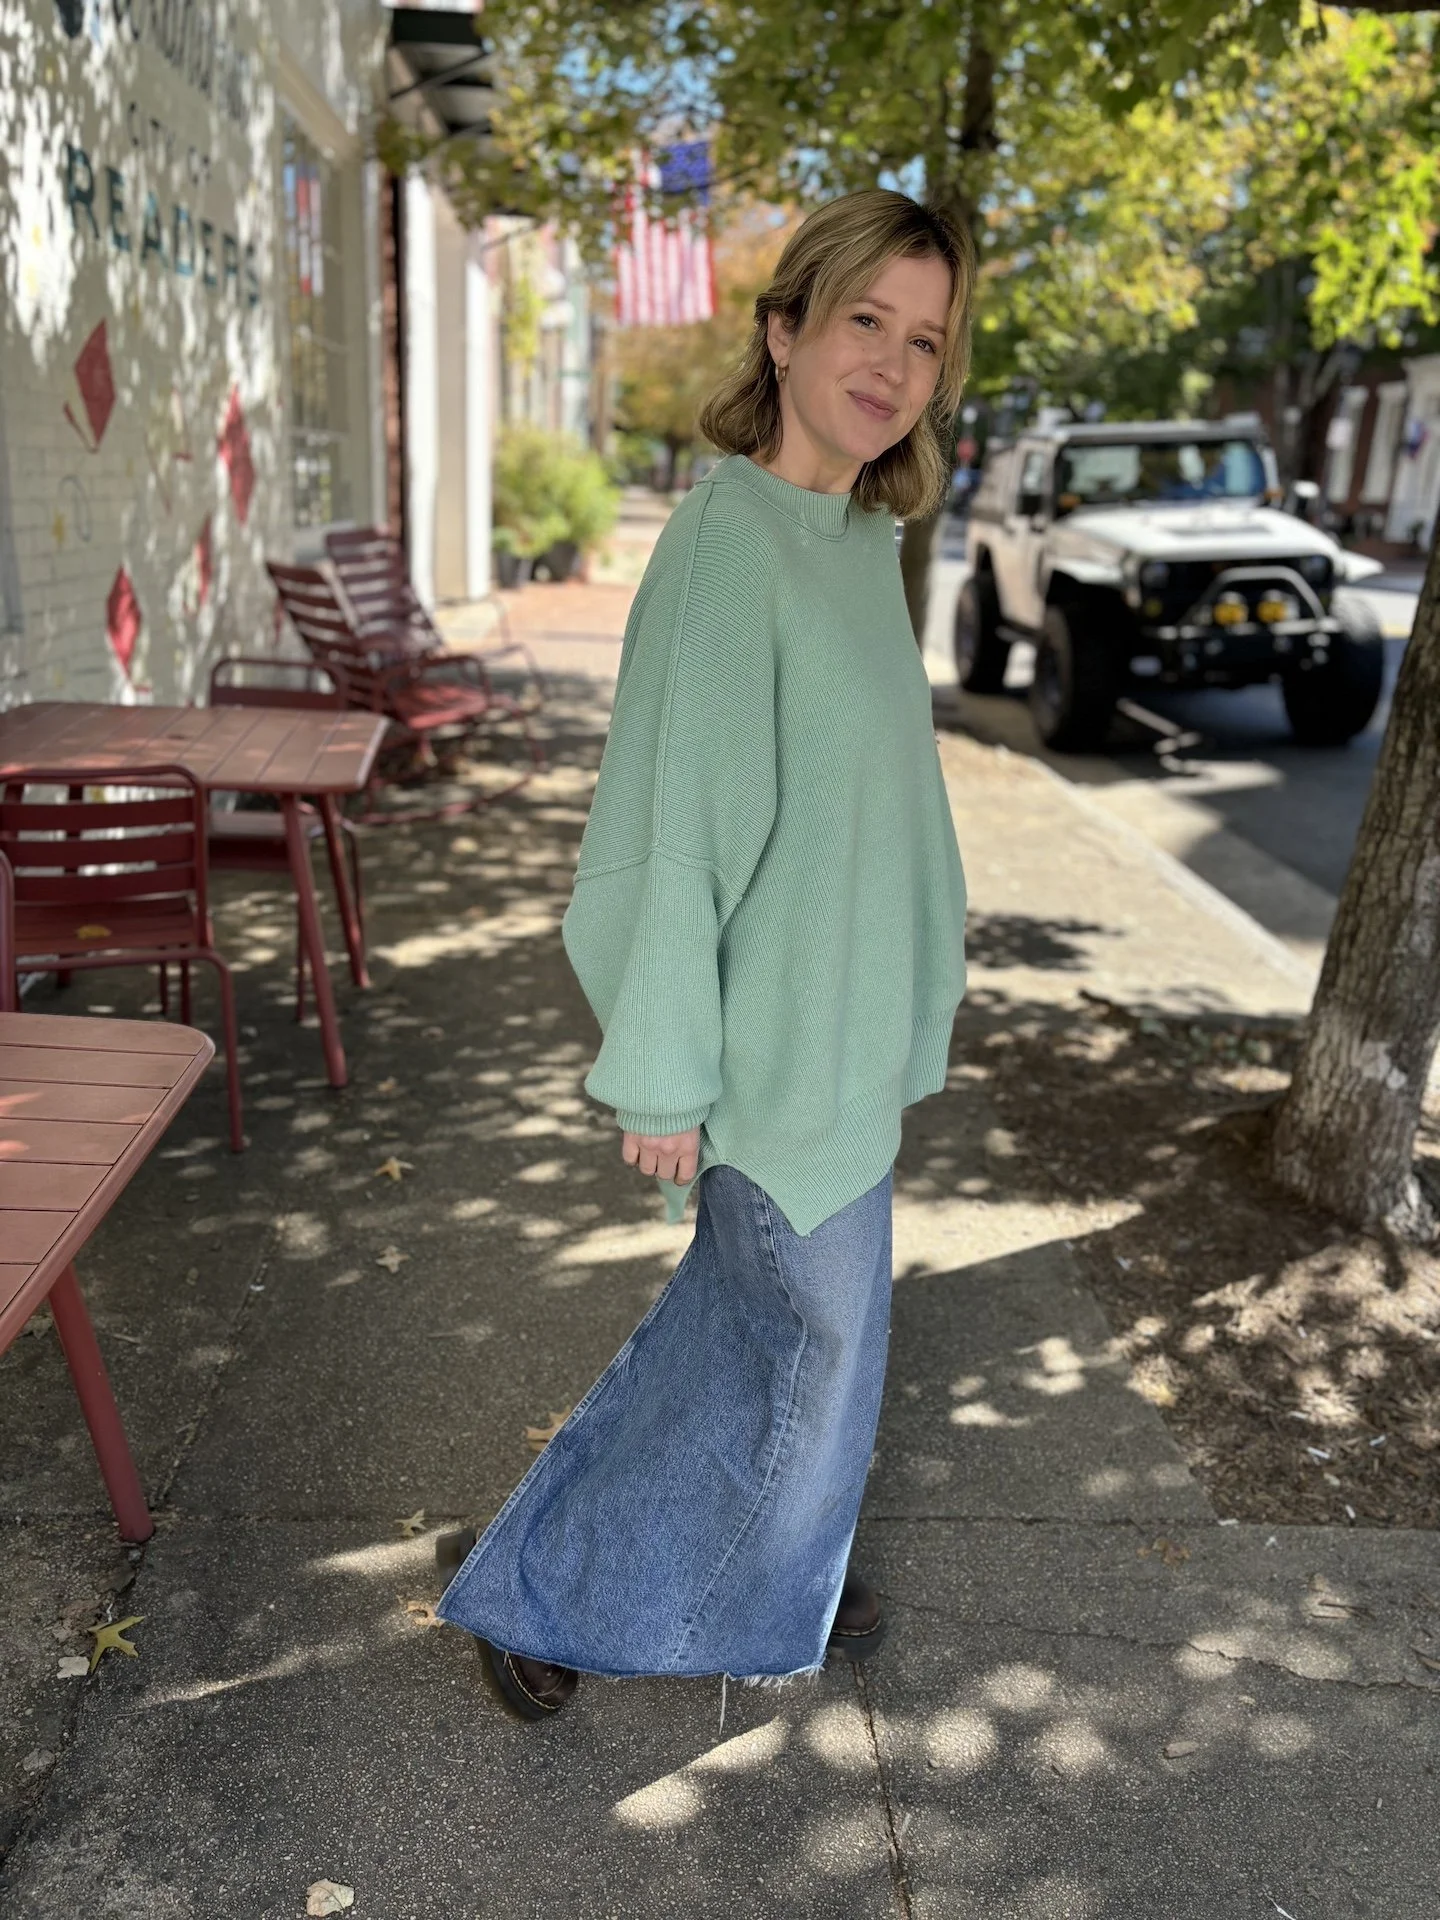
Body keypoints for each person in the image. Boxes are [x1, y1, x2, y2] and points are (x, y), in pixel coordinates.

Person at [435, 188, 974, 1721]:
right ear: (783, 330)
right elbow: (675, 826)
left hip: (842, 1026)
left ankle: (767, 1563)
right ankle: (561, 1584)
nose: (892, 364)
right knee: (803, 1340)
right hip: (765, 1050)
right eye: (862, 320)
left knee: (778, 1338)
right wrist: (663, 1069)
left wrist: (922, 980)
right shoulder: (732, 543)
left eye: (924, 339)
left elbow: (889, 799)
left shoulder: (856, 541)